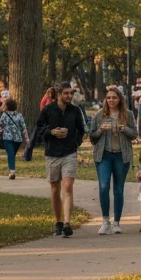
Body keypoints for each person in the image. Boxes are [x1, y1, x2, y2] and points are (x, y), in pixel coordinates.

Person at [36, 82, 88, 238]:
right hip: (52, 153)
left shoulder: (75, 111)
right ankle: (58, 221)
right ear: (58, 94)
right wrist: (51, 132)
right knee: (55, 189)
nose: (69, 96)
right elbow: (39, 128)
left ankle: (67, 223)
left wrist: (75, 141)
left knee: (67, 186)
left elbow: (81, 129)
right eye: (66, 93)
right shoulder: (48, 110)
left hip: (69, 153)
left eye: (71, 93)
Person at [90, 87, 137, 235]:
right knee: (104, 187)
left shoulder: (127, 114)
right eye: (109, 98)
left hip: (121, 156)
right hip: (104, 155)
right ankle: (105, 221)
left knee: (118, 189)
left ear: (119, 99)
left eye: (114, 98)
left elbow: (134, 134)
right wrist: (101, 131)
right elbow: (92, 137)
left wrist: (124, 129)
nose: (111, 100)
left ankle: (116, 222)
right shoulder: (99, 115)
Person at [0, 97, 28, 179]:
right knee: (11, 154)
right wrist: (27, 138)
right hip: (18, 139)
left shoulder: (4, 115)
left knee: (11, 155)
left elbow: (0, 126)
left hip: (7, 138)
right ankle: (11, 170)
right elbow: (23, 128)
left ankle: (12, 171)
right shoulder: (19, 115)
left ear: (6, 106)